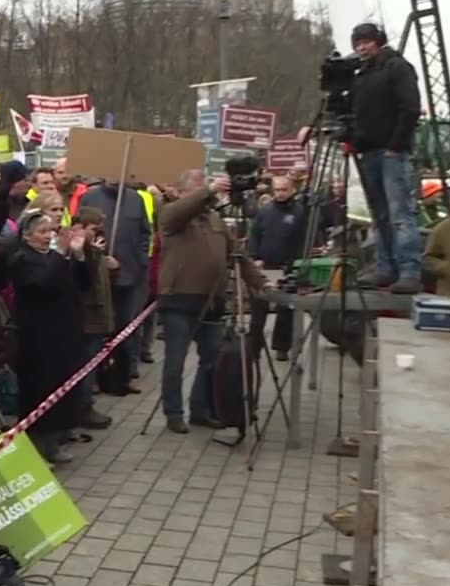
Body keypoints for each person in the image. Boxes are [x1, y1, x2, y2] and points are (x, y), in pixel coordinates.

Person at [158, 170, 267, 434]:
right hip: (178, 301)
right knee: (175, 362)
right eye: (197, 189)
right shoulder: (172, 215)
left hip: (211, 302)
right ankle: (173, 413)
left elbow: (238, 255)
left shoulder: (215, 220)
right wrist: (207, 189)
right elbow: (178, 213)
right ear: (182, 193)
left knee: (211, 360)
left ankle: (200, 409)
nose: (204, 194)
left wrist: (261, 283)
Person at [9, 211, 91, 463]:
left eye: (50, 232)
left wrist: (79, 256)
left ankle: (54, 443)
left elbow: (83, 284)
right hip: (37, 337)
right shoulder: (22, 259)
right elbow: (43, 284)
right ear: (26, 235)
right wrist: (61, 254)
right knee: (39, 391)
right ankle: (35, 449)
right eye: (42, 232)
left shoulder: (56, 258)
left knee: (60, 391)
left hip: (63, 332)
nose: (48, 237)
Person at [350, 22, 424, 295]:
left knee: (399, 214)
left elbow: (410, 107)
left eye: (366, 42)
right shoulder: (362, 74)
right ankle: (385, 267)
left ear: (377, 41)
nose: (361, 47)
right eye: (358, 43)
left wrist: (396, 144)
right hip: (369, 150)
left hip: (391, 151)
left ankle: (409, 270)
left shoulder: (397, 68)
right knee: (379, 215)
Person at [78, 179, 151, 391]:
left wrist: (140, 260)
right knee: (98, 330)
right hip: (99, 276)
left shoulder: (136, 199)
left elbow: (145, 233)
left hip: (129, 274)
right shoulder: (90, 197)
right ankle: (95, 379)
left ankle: (123, 376)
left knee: (126, 329)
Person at [247, 175, 307, 361]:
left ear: (292, 190)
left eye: (284, 190)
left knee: (285, 310)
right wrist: (255, 257)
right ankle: (253, 348)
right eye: (277, 190)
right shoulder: (264, 212)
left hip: (288, 267)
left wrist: (297, 264)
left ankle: (282, 347)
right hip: (265, 266)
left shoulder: (301, 212)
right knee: (258, 309)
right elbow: (255, 235)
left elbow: (304, 239)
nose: (280, 193)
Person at [74, 206, 116, 431]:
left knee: (92, 362)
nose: (98, 233)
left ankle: (87, 402)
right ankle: (83, 406)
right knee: (86, 365)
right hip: (88, 315)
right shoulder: (83, 252)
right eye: (93, 228)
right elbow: (87, 283)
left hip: (99, 313)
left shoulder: (97, 251)